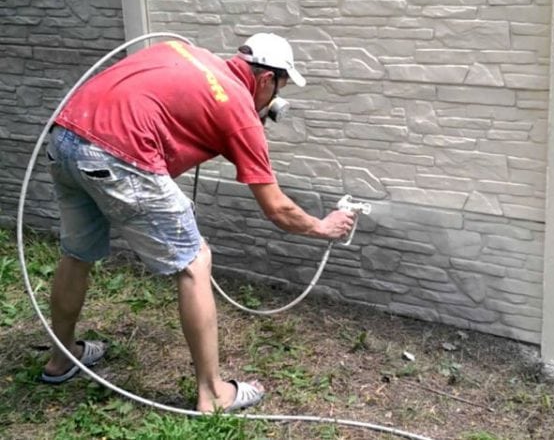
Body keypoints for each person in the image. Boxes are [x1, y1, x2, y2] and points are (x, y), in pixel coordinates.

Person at [40, 32, 355, 413]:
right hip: (118, 155)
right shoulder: (239, 112)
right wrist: (323, 227)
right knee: (194, 264)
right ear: (267, 79)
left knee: (77, 252)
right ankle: (213, 393)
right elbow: (277, 209)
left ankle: (61, 359)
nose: (274, 100)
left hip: (66, 134)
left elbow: (159, 104)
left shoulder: (183, 50)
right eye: (279, 87)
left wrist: (235, 126)